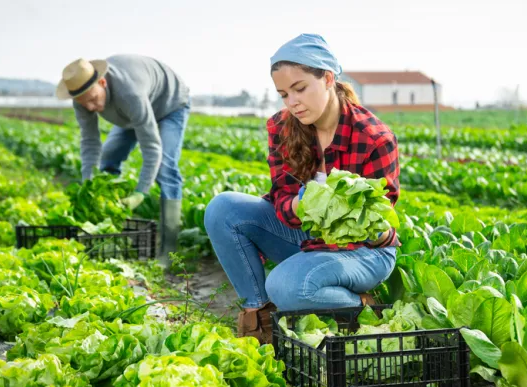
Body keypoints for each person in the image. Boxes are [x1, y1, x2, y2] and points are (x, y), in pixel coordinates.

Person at [204, 34, 400, 344]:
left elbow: (378, 220)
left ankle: (362, 306)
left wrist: (340, 209)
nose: (292, 102)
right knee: (223, 209)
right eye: (283, 94)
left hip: (365, 251)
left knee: (286, 286)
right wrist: (298, 205)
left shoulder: (373, 137)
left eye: (300, 89)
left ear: (327, 79)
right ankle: (259, 319)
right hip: (308, 236)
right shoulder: (282, 127)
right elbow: (281, 195)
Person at [56, 55, 190, 266]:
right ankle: (106, 227)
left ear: (102, 82)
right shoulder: (82, 100)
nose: (90, 108)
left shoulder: (130, 93)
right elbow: (90, 142)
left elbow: (152, 146)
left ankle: (170, 251)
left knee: (165, 167)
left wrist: (141, 192)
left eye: (93, 100)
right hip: (132, 112)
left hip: (169, 105)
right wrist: (89, 184)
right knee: (109, 156)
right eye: (85, 103)